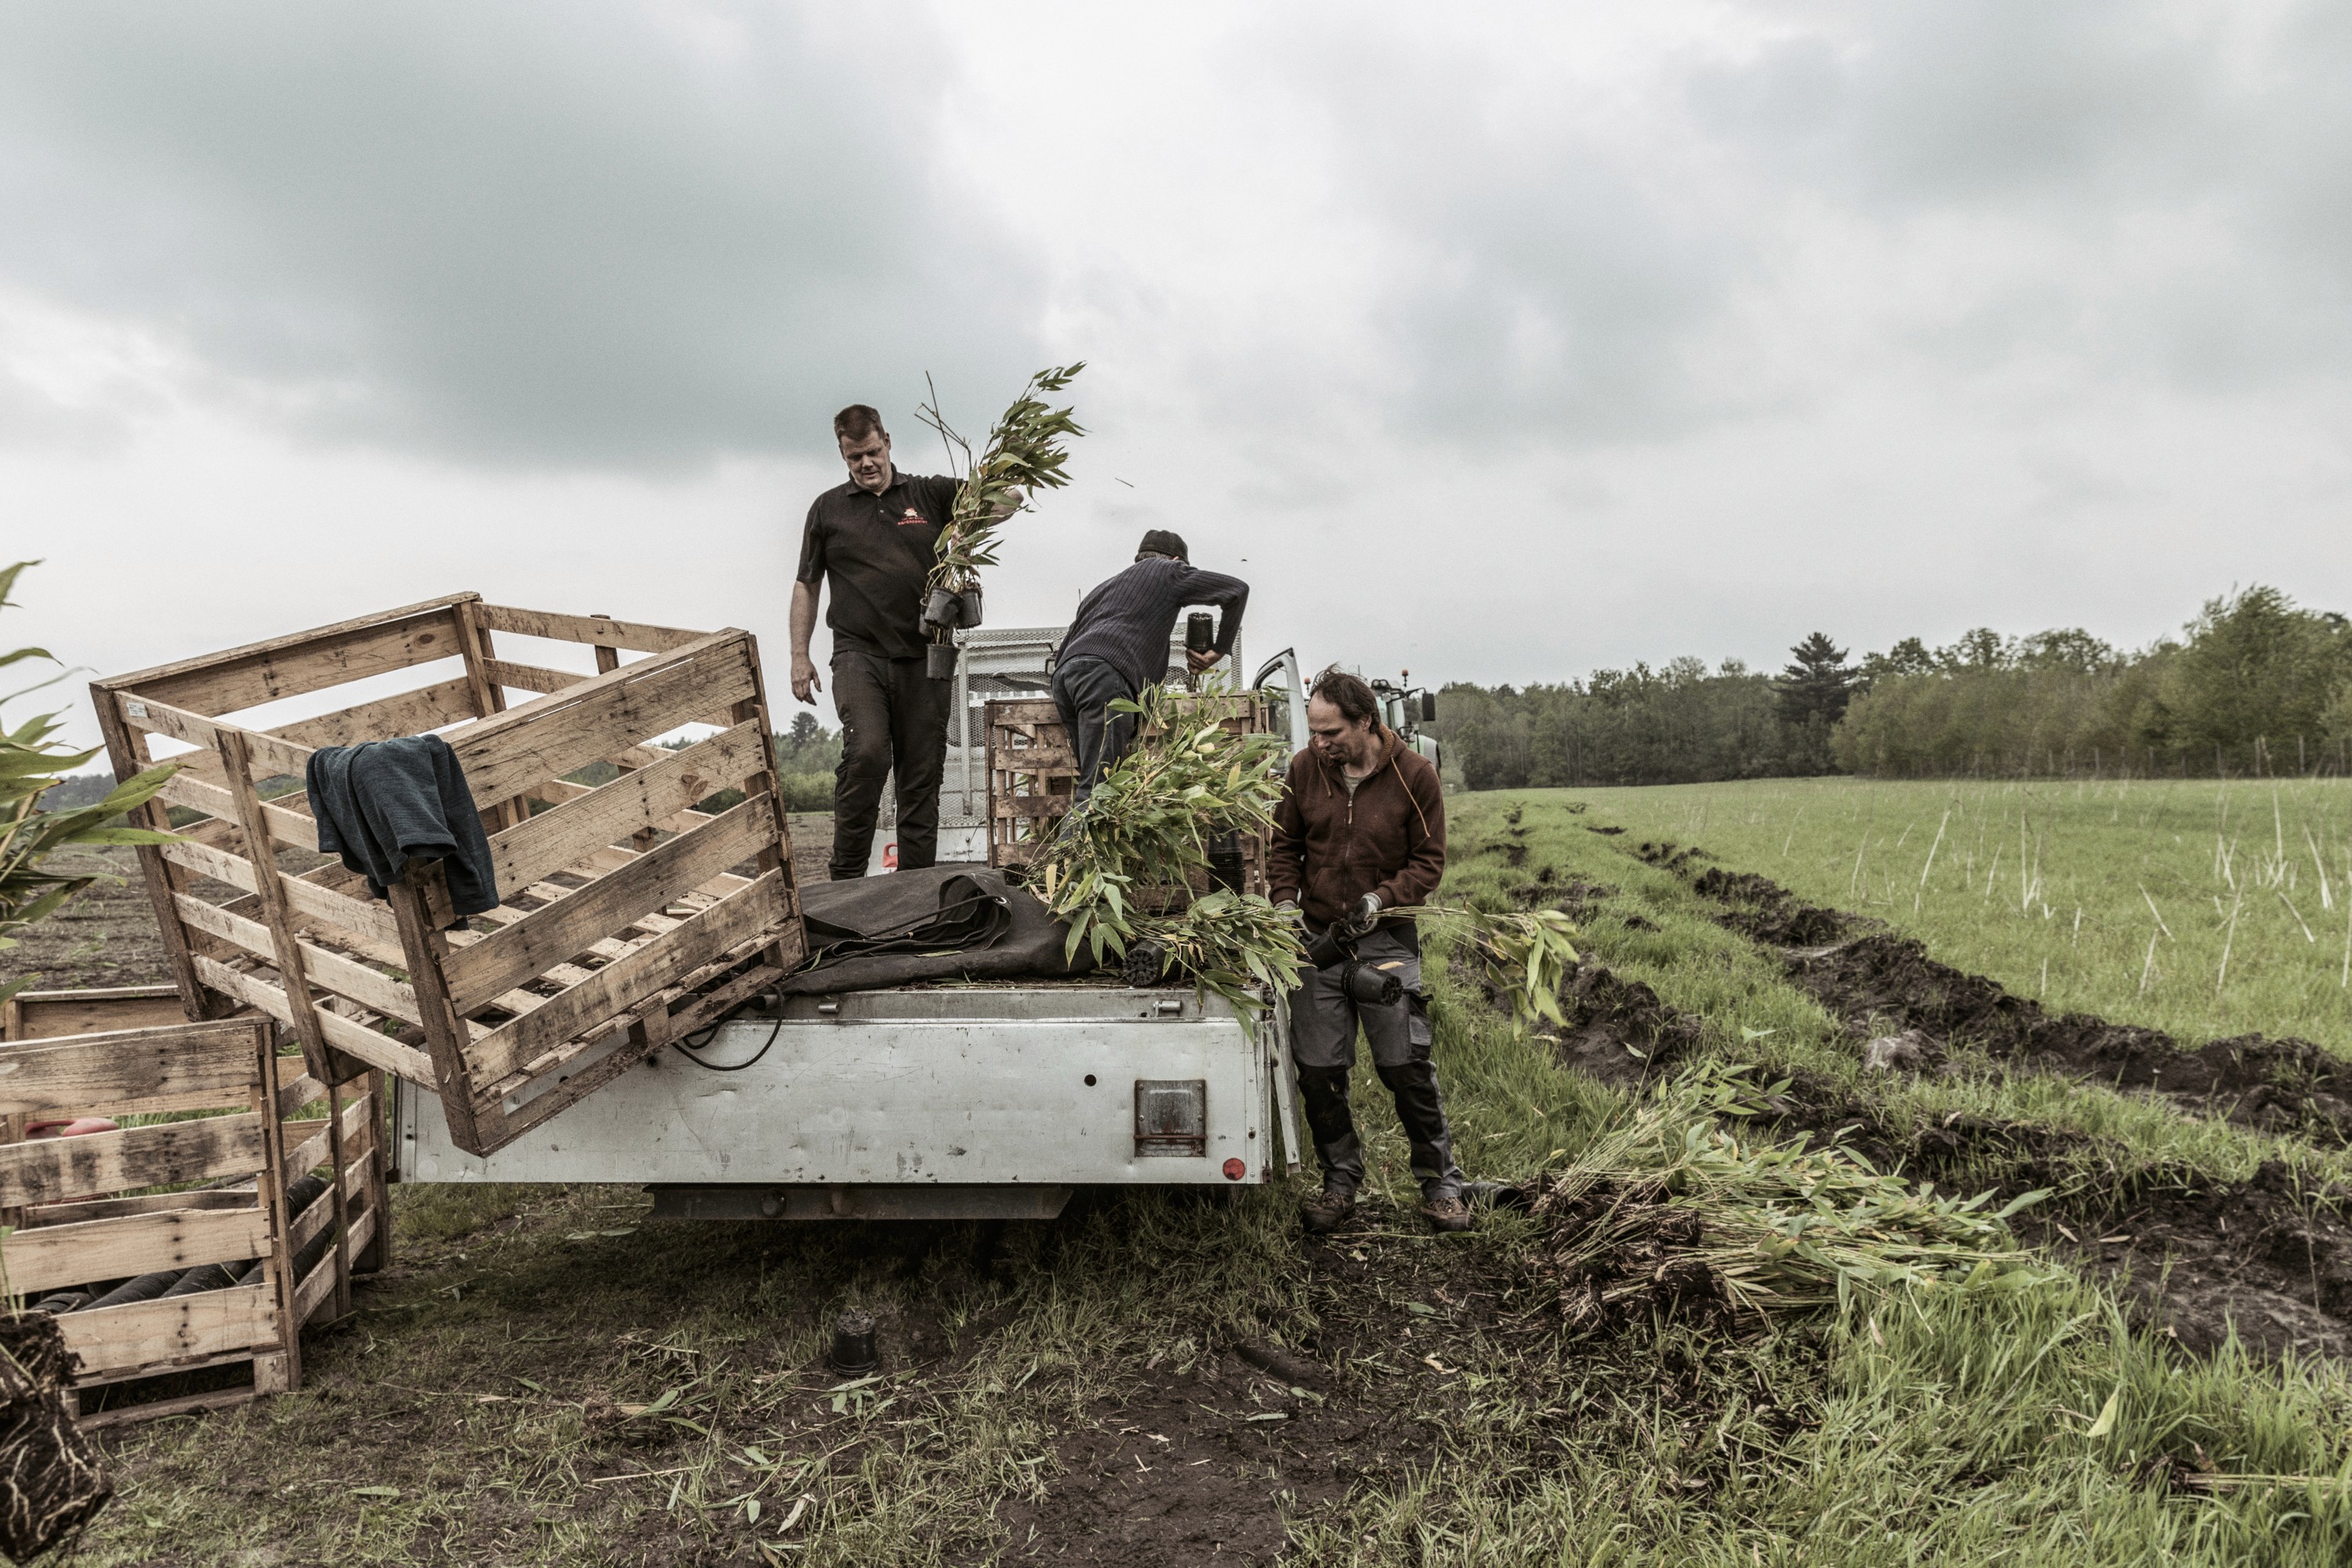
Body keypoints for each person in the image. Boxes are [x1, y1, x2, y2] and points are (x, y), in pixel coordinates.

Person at [1269, 666, 1463, 1235]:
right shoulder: (1304, 769)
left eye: (1331, 733)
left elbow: (1429, 862)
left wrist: (1381, 900)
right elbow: (1284, 847)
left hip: (1385, 943)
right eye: (1314, 731)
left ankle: (1441, 1186)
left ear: (1366, 723)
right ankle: (1339, 1182)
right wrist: (1285, 904)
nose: (1319, 743)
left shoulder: (1415, 775)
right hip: (1317, 944)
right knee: (1319, 1073)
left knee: (1407, 1068)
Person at [791, 404, 1008, 880]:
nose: (866, 463)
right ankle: (845, 881)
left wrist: (980, 506)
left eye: (872, 452)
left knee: (921, 774)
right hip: (858, 654)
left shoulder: (929, 494)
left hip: (926, 656)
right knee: (867, 753)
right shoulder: (828, 509)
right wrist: (799, 655)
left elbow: (1005, 500)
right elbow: (807, 583)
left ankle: (916, 888)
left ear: (887, 441)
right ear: (842, 455)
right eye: (854, 458)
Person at [1051, 529, 1250, 806]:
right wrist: (1218, 650)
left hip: (1066, 680)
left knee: (1095, 778)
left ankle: (1091, 832)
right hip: (1102, 679)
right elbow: (1237, 591)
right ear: (1177, 561)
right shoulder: (1168, 571)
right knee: (1097, 792)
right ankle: (1077, 836)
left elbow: (1067, 648)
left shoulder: (1103, 589)